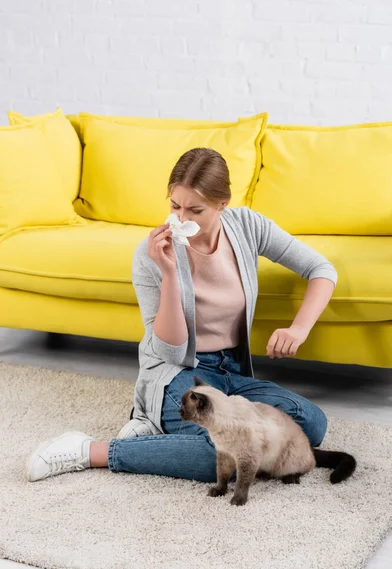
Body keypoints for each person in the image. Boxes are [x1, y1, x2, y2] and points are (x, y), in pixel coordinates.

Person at [26, 147, 337, 483]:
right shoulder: (151, 255)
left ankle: (155, 429)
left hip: (231, 372)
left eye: (196, 209)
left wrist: (298, 329)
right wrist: (171, 274)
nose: (182, 219)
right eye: (175, 206)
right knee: (223, 454)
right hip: (177, 372)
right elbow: (171, 351)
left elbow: (320, 268)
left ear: (222, 204)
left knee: (311, 423)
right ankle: (92, 450)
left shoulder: (247, 226)